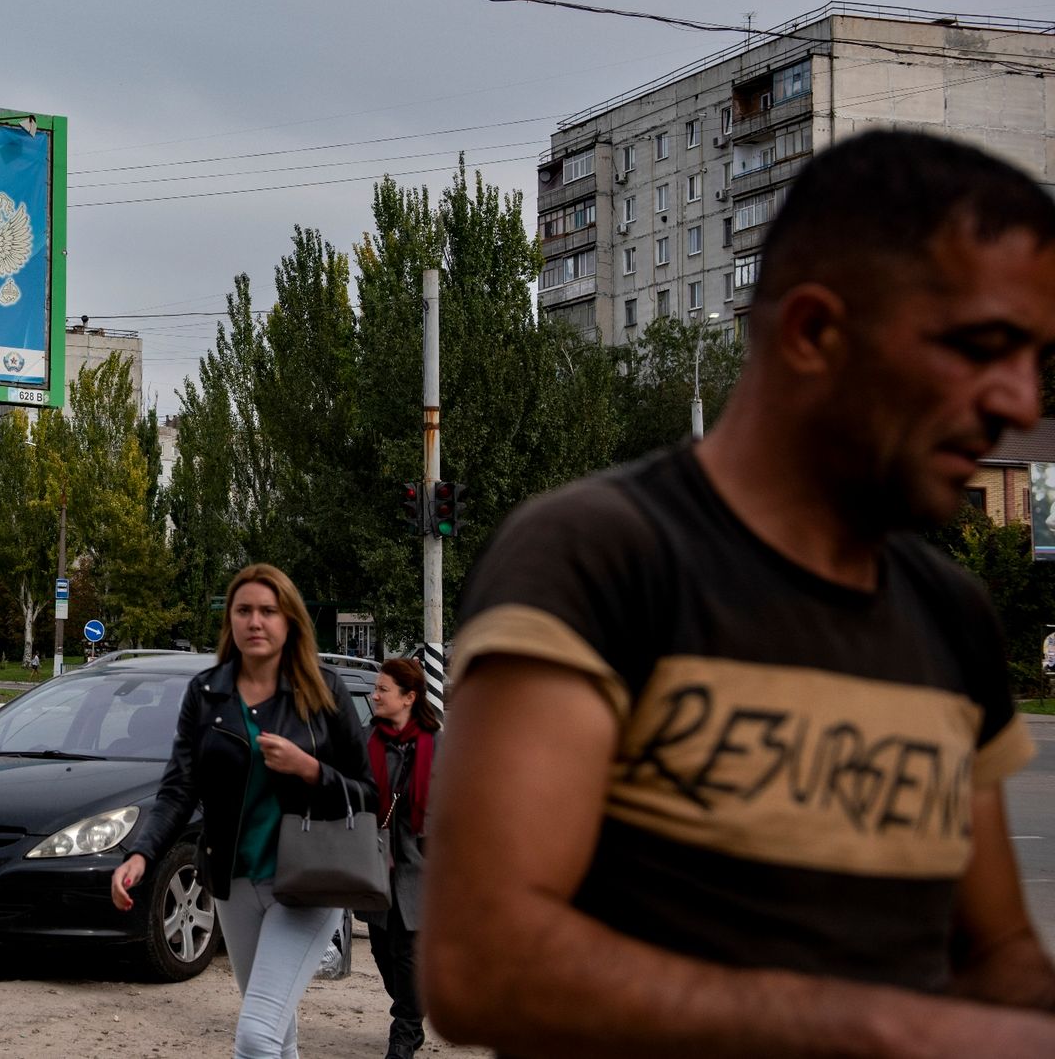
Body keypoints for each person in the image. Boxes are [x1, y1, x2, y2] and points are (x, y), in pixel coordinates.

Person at [423, 129, 1055, 1055]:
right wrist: (881, 1027)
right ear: (814, 333)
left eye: (1035, 358)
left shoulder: (951, 612)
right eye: (981, 347)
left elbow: (996, 954)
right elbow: (481, 963)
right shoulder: (599, 558)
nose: (1020, 403)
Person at [114, 563, 373, 1057]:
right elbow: (179, 788)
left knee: (255, 1035)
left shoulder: (324, 691)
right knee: (277, 1031)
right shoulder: (207, 693)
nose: (255, 621)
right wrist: (141, 854)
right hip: (233, 884)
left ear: (289, 620)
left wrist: (309, 769)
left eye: (268, 611)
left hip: (307, 882)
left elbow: (368, 793)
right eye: (244, 610)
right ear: (229, 620)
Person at [357, 657, 439, 1059]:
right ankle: (413, 1007)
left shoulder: (437, 744)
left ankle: (404, 1033)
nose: (375, 696)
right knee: (381, 951)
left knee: (407, 953)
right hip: (376, 860)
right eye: (375, 689)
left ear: (409, 697)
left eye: (382, 690)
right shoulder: (366, 740)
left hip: (421, 863)